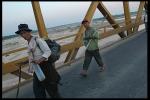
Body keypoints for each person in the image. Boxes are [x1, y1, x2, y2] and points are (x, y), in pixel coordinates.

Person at [15, 24, 61, 98]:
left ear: (29, 32)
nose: (23, 35)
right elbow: (34, 56)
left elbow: (48, 52)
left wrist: (40, 60)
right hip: (38, 70)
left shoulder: (38, 40)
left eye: (24, 32)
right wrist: (24, 62)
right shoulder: (29, 42)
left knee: (53, 92)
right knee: (38, 91)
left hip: (46, 69)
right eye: (21, 34)